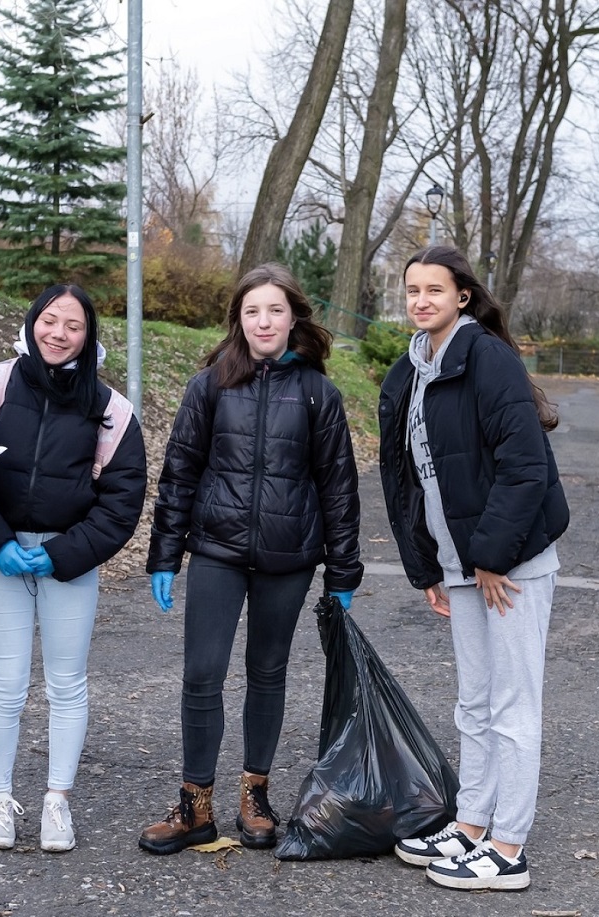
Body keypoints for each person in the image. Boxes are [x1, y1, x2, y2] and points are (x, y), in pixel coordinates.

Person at [139, 263, 363, 855]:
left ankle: (255, 795)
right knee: (202, 673)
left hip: (288, 558)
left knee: (268, 671)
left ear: (294, 317)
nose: (264, 321)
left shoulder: (319, 393)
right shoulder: (209, 385)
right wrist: (165, 554)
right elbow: (179, 474)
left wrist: (343, 571)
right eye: (252, 311)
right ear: (238, 320)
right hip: (216, 551)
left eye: (275, 310)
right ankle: (195, 805)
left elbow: (339, 489)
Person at [378, 245, 569, 892]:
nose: (421, 300)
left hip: (511, 564)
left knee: (513, 706)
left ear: (463, 296)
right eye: (412, 290)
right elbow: (413, 480)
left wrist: (491, 556)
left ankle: (508, 846)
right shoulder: (412, 368)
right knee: (475, 704)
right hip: (462, 566)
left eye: (435, 289)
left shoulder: (486, 357)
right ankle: (471, 825)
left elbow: (525, 466)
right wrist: (430, 564)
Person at [0, 284, 146, 853]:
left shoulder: (110, 410)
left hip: (67, 563)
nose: (58, 333)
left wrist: (62, 553)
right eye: (49, 320)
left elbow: (123, 501)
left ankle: (57, 802)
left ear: (88, 336)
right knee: (5, 685)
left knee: (67, 684)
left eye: (72, 326)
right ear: (31, 323)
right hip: (0, 559)